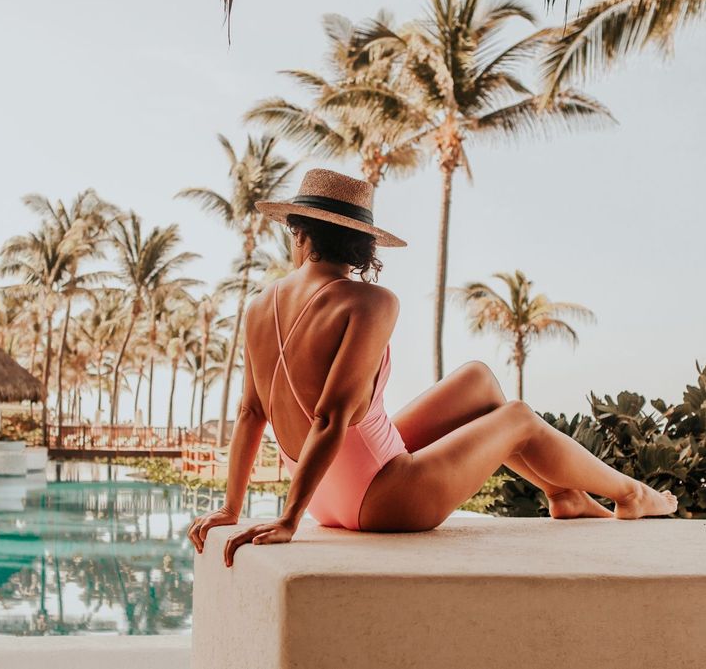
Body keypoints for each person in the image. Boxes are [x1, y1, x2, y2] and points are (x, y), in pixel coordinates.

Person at [188, 169, 676, 567]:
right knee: (519, 418)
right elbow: (331, 418)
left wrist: (233, 507)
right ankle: (631, 494)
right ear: (363, 244)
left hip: (327, 494)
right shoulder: (370, 302)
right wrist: (289, 520)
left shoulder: (258, 305)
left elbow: (251, 412)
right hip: (382, 500)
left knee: (478, 380)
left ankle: (563, 494)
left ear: (299, 232)